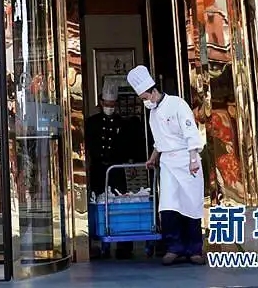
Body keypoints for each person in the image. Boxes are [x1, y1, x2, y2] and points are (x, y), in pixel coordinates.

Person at [126, 64, 205, 266]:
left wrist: (193, 159)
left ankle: (194, 249)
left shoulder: (177, 104)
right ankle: (174, 248)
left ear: (153, 91)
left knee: (191, 205)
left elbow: (190, 132)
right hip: (168, 163)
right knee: (168, 206)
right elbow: (160, 141)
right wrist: (153, 157)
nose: (145, 101)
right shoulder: (153, 113)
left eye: (145, 97)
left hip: (186, 159)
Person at [85, 78, 133, 258]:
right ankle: (99, 243)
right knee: (98, 204)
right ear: (101, 102)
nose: (110, 107)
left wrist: (129, 162)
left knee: (120, 205)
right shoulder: (92, 122)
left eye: (112, 104)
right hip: (98, 169)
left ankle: (124, 245)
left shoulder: (123, 123)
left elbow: (127, 145)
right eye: (107, 103)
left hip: (117, 169)